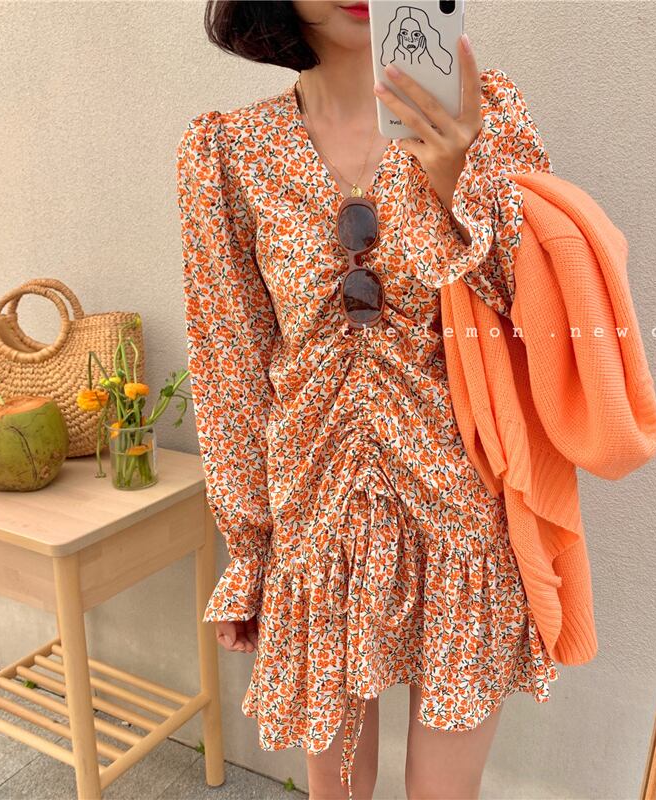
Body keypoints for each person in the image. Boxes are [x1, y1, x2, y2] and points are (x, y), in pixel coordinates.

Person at [176, 2, 559, 798]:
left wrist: (459, 179)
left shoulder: (484, 112)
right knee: (338, 790)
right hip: (316, 520)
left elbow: (539, 316)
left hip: (460, 516)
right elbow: (230, 364)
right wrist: (249, 550)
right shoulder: (227, 153)